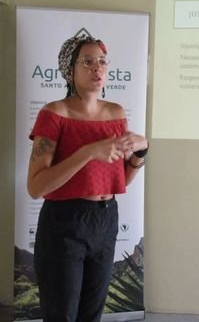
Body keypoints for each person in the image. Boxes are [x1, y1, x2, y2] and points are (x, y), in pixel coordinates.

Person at [27, 34, 148, 322]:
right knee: (61, 315)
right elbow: (36, 186)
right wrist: (88, 152)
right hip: (65, 223)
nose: (98, 68)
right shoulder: (53, 114)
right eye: (88, 62)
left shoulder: (116, 113)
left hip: (105, 220)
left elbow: (119, 180)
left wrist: (141, 152)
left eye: (103, 62)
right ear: (70, 70)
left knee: (91, 315)